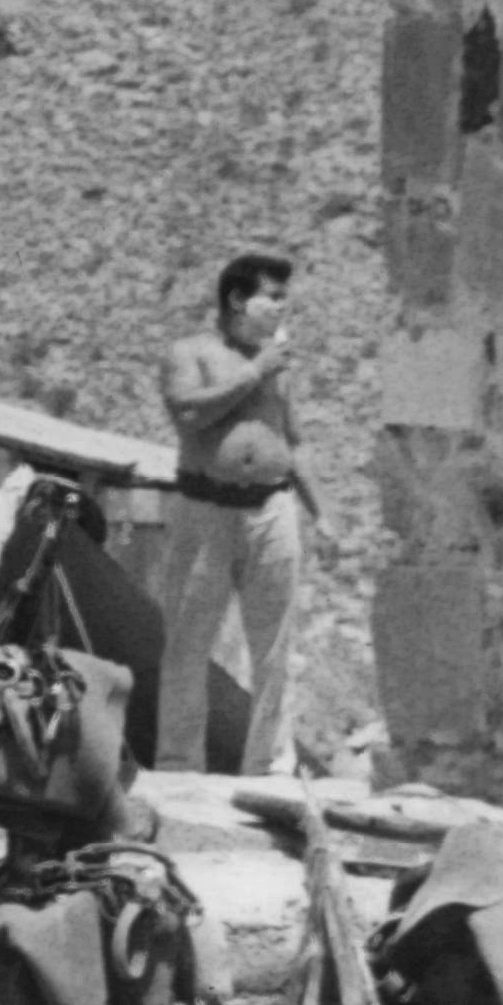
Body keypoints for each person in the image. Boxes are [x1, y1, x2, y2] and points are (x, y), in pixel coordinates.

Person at [156, 248, 310, 775]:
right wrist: (253, 374)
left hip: (272, 508)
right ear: (238, 299)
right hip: (205, 510)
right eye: (273, 298)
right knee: (187, 642)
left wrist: (323, 513)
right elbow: (189, 414)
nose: (282, 310)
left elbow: (294, 440)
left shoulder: (277, 365)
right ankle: (179, 766)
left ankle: (268, 768)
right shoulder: (190, 353)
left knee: (274, 647)